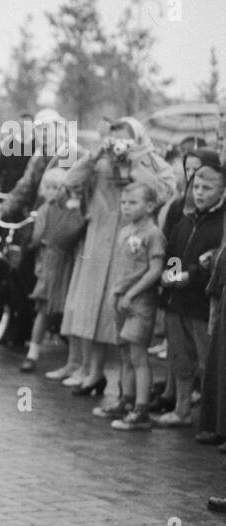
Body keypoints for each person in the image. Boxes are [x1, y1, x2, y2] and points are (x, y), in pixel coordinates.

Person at [60, 117, 174, 396]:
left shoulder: (154, 163)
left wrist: (134, 165)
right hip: (97, 242)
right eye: (116, 139)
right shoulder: (101, 160)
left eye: (127, 139)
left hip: (131, 246)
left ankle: (124, 389)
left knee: (115, 313)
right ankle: (90, 371)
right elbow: (70, 181)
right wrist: (95, 154)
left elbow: (164, 192)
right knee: (90, 309)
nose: (121, 145)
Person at [154, 156, 224, 426]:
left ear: (222, 190)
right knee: (180, 359)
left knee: (209, 363)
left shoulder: (222, 224)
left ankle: (212, 418)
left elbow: (214, 260)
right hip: (176, 301)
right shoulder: (185, 220)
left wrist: (190, 275)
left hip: (201, 303)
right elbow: (173, 250)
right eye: (196, 188)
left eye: (207, 189)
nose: (200, 193)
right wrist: (170, 273)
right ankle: (182, 410)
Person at [94, 182, 166, 431]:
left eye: (133, 203)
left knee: (138, 355)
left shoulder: (153, 234)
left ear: (149, 206)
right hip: (121, 299)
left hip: (140, 302)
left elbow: (155, 270)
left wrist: (132, 292)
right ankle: (126, 399)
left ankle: (142, 409)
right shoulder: (126, 231)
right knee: (125, 353)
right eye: (124, 202)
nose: (126, 207)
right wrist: (116, 292)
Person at [20, 168, 78, 372]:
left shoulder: (70, 209)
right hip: (50, 262)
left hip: (63, 262)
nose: (53, 191)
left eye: (57, 187)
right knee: (44, 310)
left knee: (65, 310)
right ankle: (33, 353)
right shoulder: (47, 209)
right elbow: (39, 236)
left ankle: (73, 357)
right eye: (49, 187)